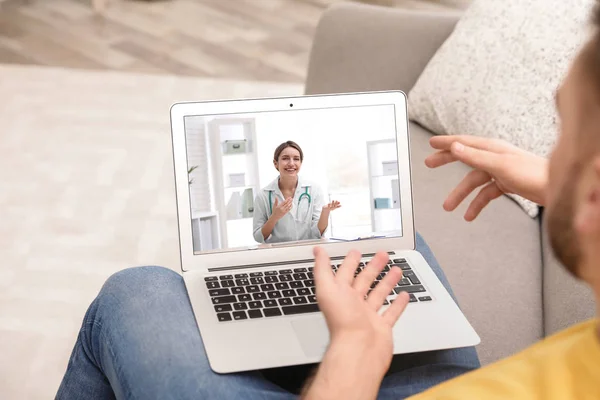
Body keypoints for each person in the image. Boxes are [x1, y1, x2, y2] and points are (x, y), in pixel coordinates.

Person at [56, 6, 600, 398]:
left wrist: (352, 356)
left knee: (133, 291)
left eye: (562, 132)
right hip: (293, 262)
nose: (292, 166)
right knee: (390, 251)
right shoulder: (264, 193)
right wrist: (560, 181)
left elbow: (315, 228)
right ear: (277, 164)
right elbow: (263, 237)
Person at [252, 141, 341, 244]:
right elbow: (258, 237)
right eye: (285, 158)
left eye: (296, 159)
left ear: (301, 163)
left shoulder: (314, 190)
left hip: (308, 252)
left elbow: (317, 233)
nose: (291, 163)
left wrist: (325, 212)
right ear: (275, 163)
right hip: (278, 255)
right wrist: (274, 217)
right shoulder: (263, 195)